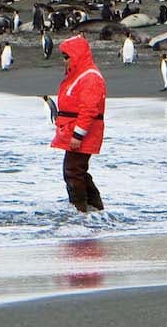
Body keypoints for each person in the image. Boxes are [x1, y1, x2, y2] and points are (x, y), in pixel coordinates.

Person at [51, 35, 107, 212]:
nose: (64, 61)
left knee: (73, 171)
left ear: (77, 56)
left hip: (83, 132)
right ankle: (93, 208)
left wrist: (78, 134)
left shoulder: (90, 77)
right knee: (77, 170)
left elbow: (89, 109)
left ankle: (80, 209)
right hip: (73, 129)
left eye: (67, 57)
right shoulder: (80, 75)